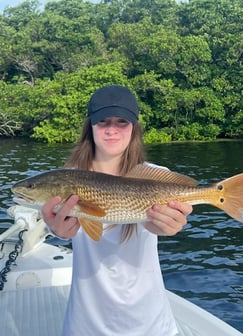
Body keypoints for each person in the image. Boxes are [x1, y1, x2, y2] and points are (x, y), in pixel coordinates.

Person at [42, 85, 192, 336]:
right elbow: (59, 226)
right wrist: (58, 231)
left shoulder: (157, 176)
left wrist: (173, 225)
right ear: (90, 126)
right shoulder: (68, 179)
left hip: (151, 324)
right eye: (103, 121)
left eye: (121, 121)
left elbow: (170, 220)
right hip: (85, 325)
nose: (111, 129)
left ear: (134, 126)